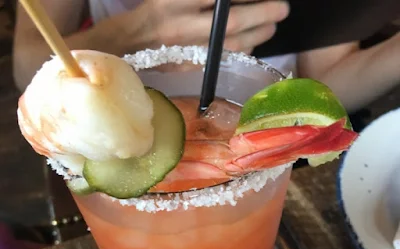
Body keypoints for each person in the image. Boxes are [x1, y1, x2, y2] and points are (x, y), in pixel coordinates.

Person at [12, 0, 400, 113]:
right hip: (124, 135)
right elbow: (27, 66)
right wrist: (141, 32)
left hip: (263, 153)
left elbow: (321, 87)